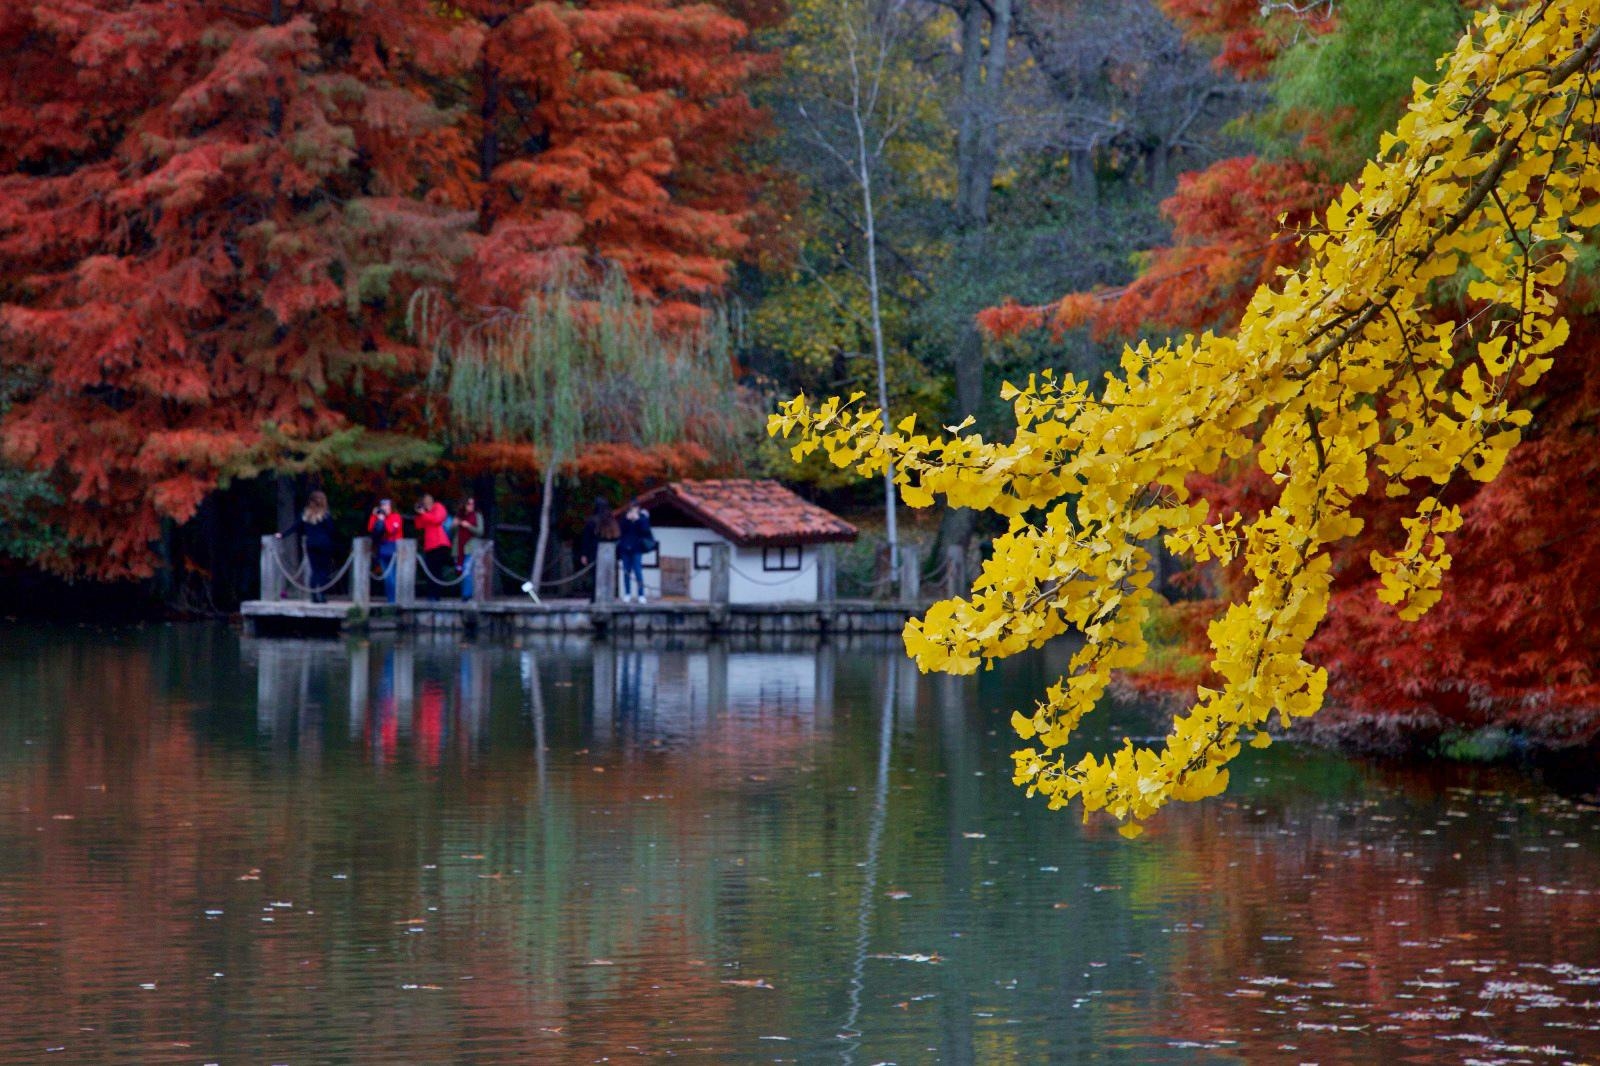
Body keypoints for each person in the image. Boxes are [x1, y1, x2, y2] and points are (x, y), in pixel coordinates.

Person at [276, 490, 336, 603]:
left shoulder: (306, 514)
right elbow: (331, 530)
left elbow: (295, 526)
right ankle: (321, 596)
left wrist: (282, 535)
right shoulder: (326, 515)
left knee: (314, 570)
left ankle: (314, 596)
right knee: (323, 571)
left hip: (311, 544)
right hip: (324, 545)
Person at [577, 497, 620, 601]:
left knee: (595, 577)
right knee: (608, 576)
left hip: (594, 552)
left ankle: (594, 598)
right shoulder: (612, 521)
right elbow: (616, 538)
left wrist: (584, 554)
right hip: (609, 553)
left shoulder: (592, 521)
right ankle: (608, 597)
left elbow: (586, 539)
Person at [414, 493, 452, 600]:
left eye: (427, 501)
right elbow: (418, 525)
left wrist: (425, 514)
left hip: (439, 544)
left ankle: (436, 595)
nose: (426, 503)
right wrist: (420, 513)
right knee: (430, 571)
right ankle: (431, 595)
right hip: (429, 546)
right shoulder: (426, 513)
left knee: (436, 570)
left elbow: (437, 520)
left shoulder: (438, 507)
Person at [616, 500, 654, 604]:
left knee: (638, 572)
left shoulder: (642, 518)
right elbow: (620, 531)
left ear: (638, 508)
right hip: (625, 548)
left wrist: (638, 521)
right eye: (631, 508)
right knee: (626, 572)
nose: (633, 510)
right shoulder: (624, 517)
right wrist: (627, 520)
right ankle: (627, 594)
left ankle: (641, 594)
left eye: (635, 507)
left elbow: (646, 531)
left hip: (637, 548)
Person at [367, 497, 404, 603]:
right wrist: (374, 516)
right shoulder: (379, 517)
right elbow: (371, 528)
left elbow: (391, 530)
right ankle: (390, 599)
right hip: (383, 548)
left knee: (392, 575)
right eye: (383, 506)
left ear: (391, 507)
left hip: (394, 547)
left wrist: (383, 520)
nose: (385, 508)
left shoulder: (396, 516)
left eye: (387, 506)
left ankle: (394, 600)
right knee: (387, 576)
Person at [454, 497, 485, 601]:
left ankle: (467, 596)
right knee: (461, 573)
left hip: (470, 548)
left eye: (473, 504)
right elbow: (451, 532)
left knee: (467, 572)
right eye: (469, 504)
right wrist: (454, 525)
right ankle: (464, 594)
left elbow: (480, 532)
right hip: (459, 549)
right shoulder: (459, 516)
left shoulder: (477, 516)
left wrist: (468, 526)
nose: (471, 506)